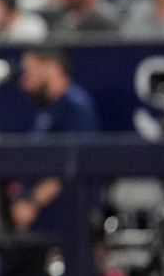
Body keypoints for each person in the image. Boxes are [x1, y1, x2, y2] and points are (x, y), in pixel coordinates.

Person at [7, 49, 99, 233]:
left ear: (52, 68)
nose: (26, 81)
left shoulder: (75, 107)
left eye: (31, 72)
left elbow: (75, 164)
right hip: (41, 223)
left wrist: (33, 203)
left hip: (68, 220)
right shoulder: (44, 109)